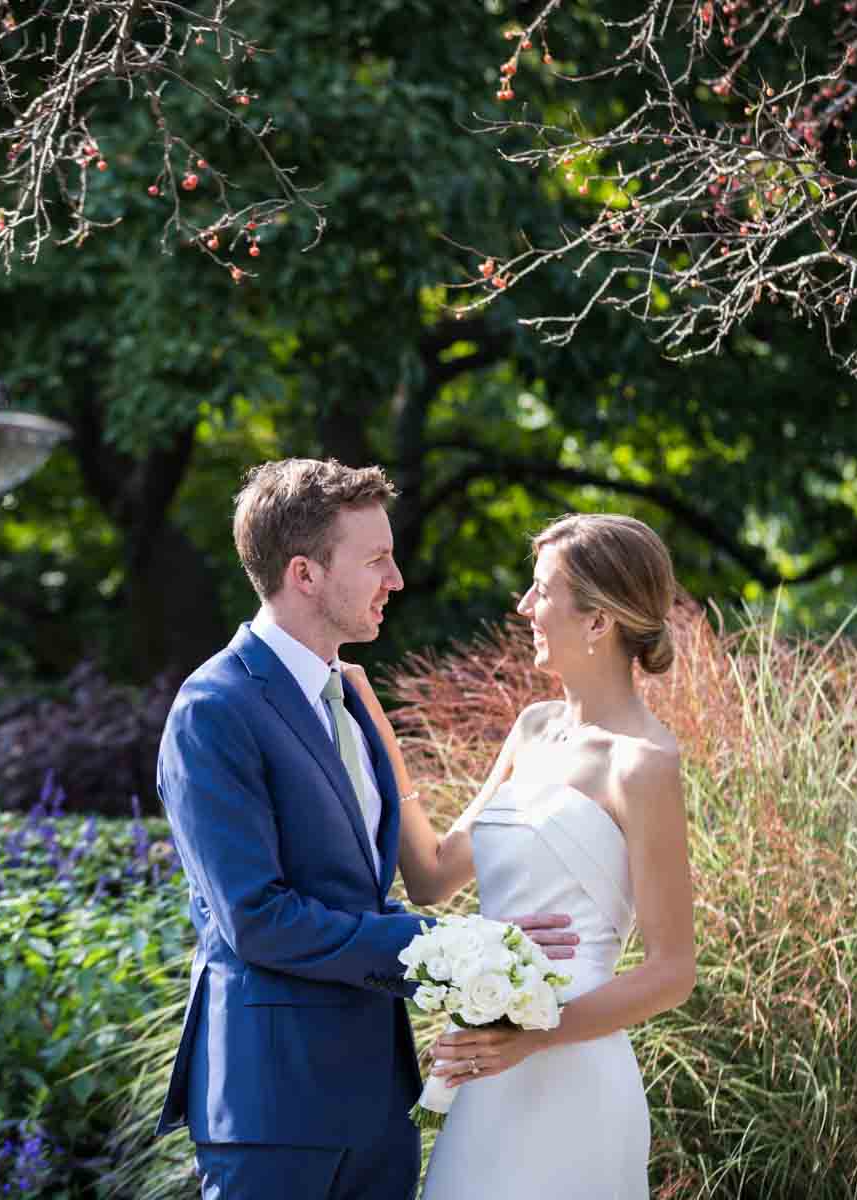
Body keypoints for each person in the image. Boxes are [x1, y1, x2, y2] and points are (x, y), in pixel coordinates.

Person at [154, 459, 577, 1200]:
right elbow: (257, 918)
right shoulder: (214, 708)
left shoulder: (345, 696)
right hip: (272, 1105)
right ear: (305, 574)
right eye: (377, 559)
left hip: (379, 1101)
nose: (398, 579)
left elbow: (361, 888)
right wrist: (454, 949)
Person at [346, 512, 696, 1199]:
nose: (524, 607)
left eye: (542, 591)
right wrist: (376, 725)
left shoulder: (644, 764)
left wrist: (536, 1036)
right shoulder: (533, 729)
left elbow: (672, 971)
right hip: (488, 1069)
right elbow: (433, 876)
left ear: (599, 621)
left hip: (574, 1072)